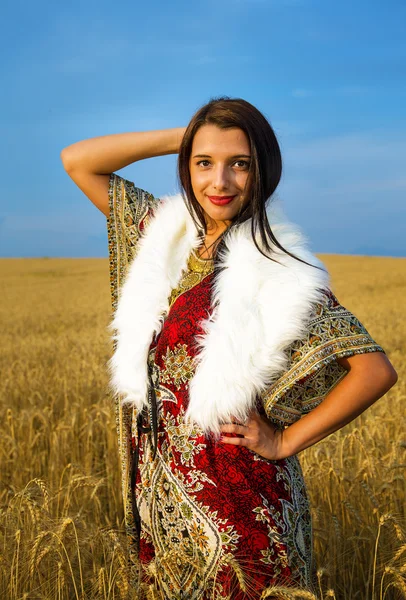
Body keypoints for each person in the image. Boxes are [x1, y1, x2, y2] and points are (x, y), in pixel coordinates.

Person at [61, 96, 398, 599]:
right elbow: (79, 161)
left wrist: (284, 442)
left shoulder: (276, 268)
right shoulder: (165, 235)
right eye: (204, 163)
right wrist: (193, 134)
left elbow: (374, 371)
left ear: (263, 170)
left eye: (239, 164)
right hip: (163, 498)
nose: (219, 182)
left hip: (243, 505)